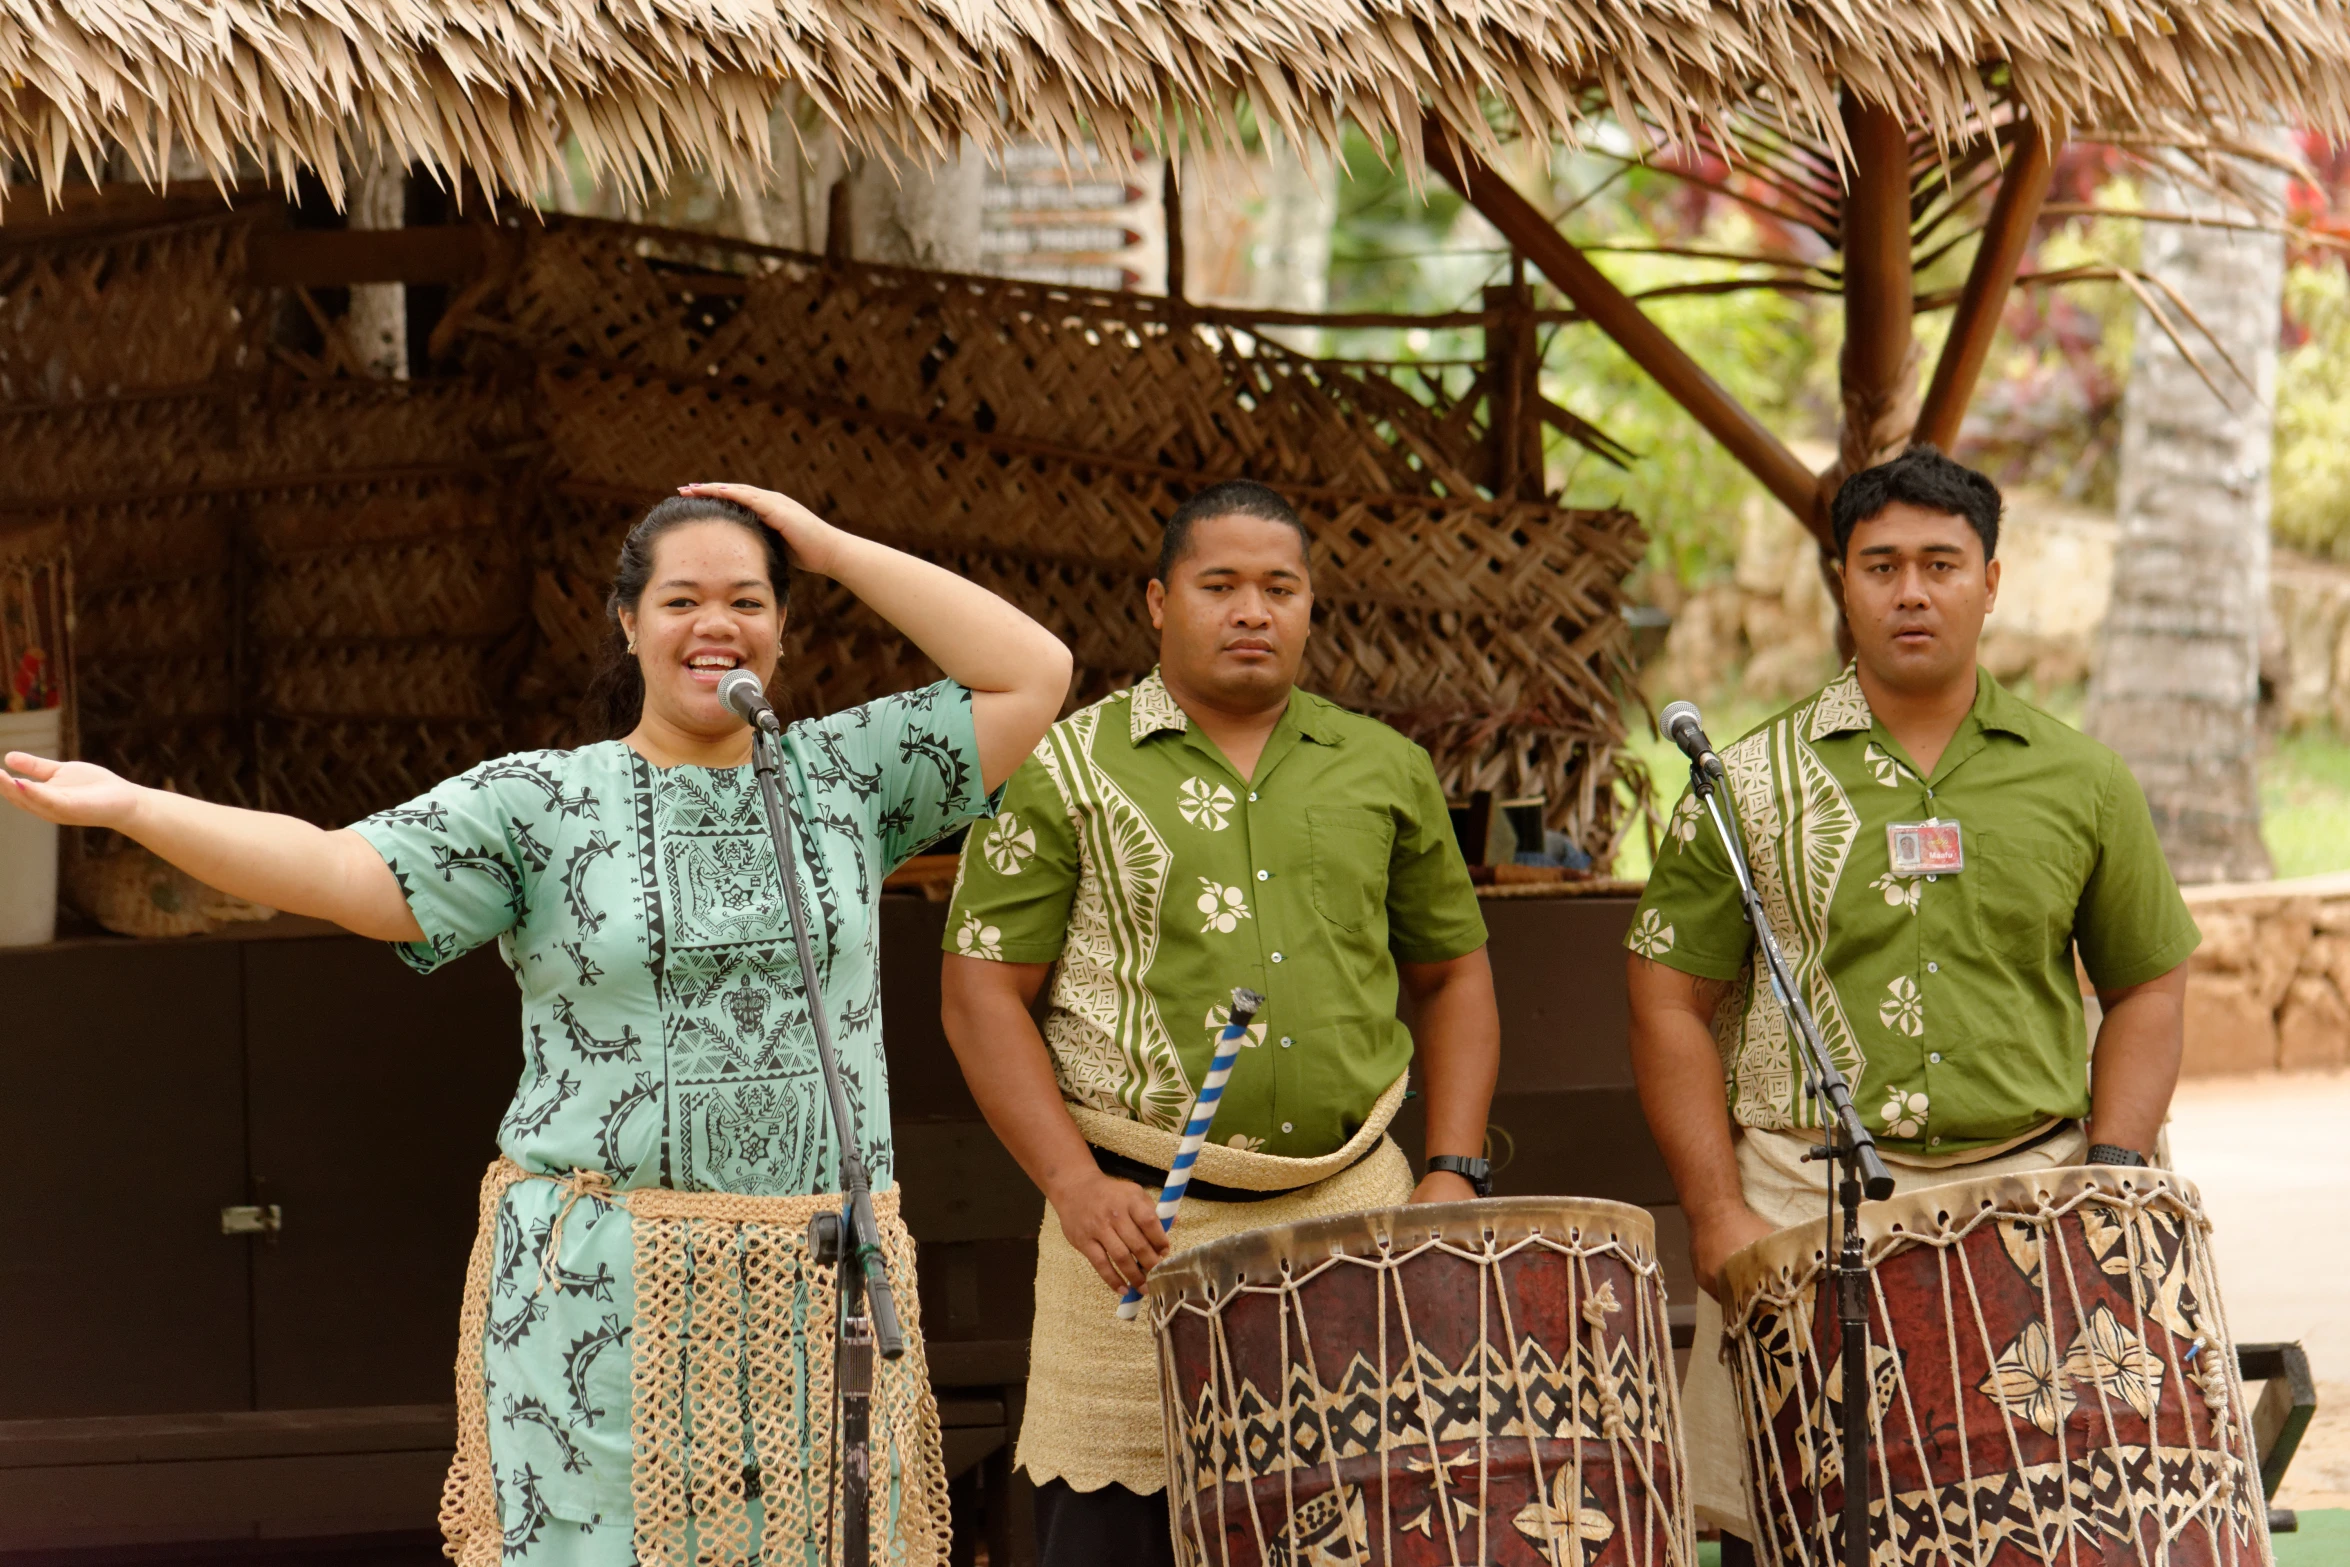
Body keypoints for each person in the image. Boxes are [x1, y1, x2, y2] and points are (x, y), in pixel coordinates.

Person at [1, 485, 1073, 1566]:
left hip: (814, 1291)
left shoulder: (847, 776)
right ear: (627, 622)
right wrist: (135, 806)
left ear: (786, 623)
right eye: (681, 599)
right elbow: (337, 869)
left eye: (748, 599)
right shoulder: (541, 804)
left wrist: (833, 545)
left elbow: (1034, 672)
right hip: (604, 1300)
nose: (716, 625)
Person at [1624, 444, 2200, 1557]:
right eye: (1880, 563)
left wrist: (2113, 1174)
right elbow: (1663, 998)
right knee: (1788, 1529)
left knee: (2044, 1523)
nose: (1911, 591)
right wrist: (1715, 1213)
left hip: (2031, 1199)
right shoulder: (1743, 783)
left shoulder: (2081, 779)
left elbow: (2147, 985)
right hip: (1800, 1197)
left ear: (1990, 581)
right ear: (1839, 580)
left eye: (1941, 563)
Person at [938, 479, 1502, 1566]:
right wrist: (1072, 1185)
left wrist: (1454, 1167)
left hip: (1356, 1218)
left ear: (1308, 607)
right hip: (1133, 1234)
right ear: (1158, 600)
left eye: (1279, 587)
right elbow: (979, 994)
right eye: (1220, 585)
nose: (1253, 610)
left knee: (1369, 1530)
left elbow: (1454, 973)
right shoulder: (1064, 766)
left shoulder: (1382, 766)